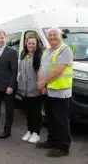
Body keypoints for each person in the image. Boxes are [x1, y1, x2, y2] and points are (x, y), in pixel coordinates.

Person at [36, 27, 73, 157]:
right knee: (50, 119)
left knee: (61, 120)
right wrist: (41, 82)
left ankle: (63, 147)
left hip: (61, 92)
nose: (52, 37)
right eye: (50, 35)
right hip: (49, 91)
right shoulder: (47, 51)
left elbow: (58, 70)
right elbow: (42, 68)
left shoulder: (65, 50)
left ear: (60, 36)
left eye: (54, 35)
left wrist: (43, 82)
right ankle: (52, 141)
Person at [0, 30, 18, 139]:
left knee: (9, 110)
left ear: (5, 38)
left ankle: (7, 130)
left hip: (8, 86)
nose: (0, 40)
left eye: (1, 38)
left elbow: (14, 71)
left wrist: (11, 86)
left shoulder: (12, 52)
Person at [17, 37, 44, 143]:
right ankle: (30, 131)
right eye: (29, 43)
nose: (31, 45)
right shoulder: (24, 55)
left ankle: (36, 133)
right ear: (26, 44)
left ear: (37, 45)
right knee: (28, 113)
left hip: (35, 90)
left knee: (36, 113)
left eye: (33, 43)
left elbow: (42, 73)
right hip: (25, 90)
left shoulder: (39, 56)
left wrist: (42, 86)